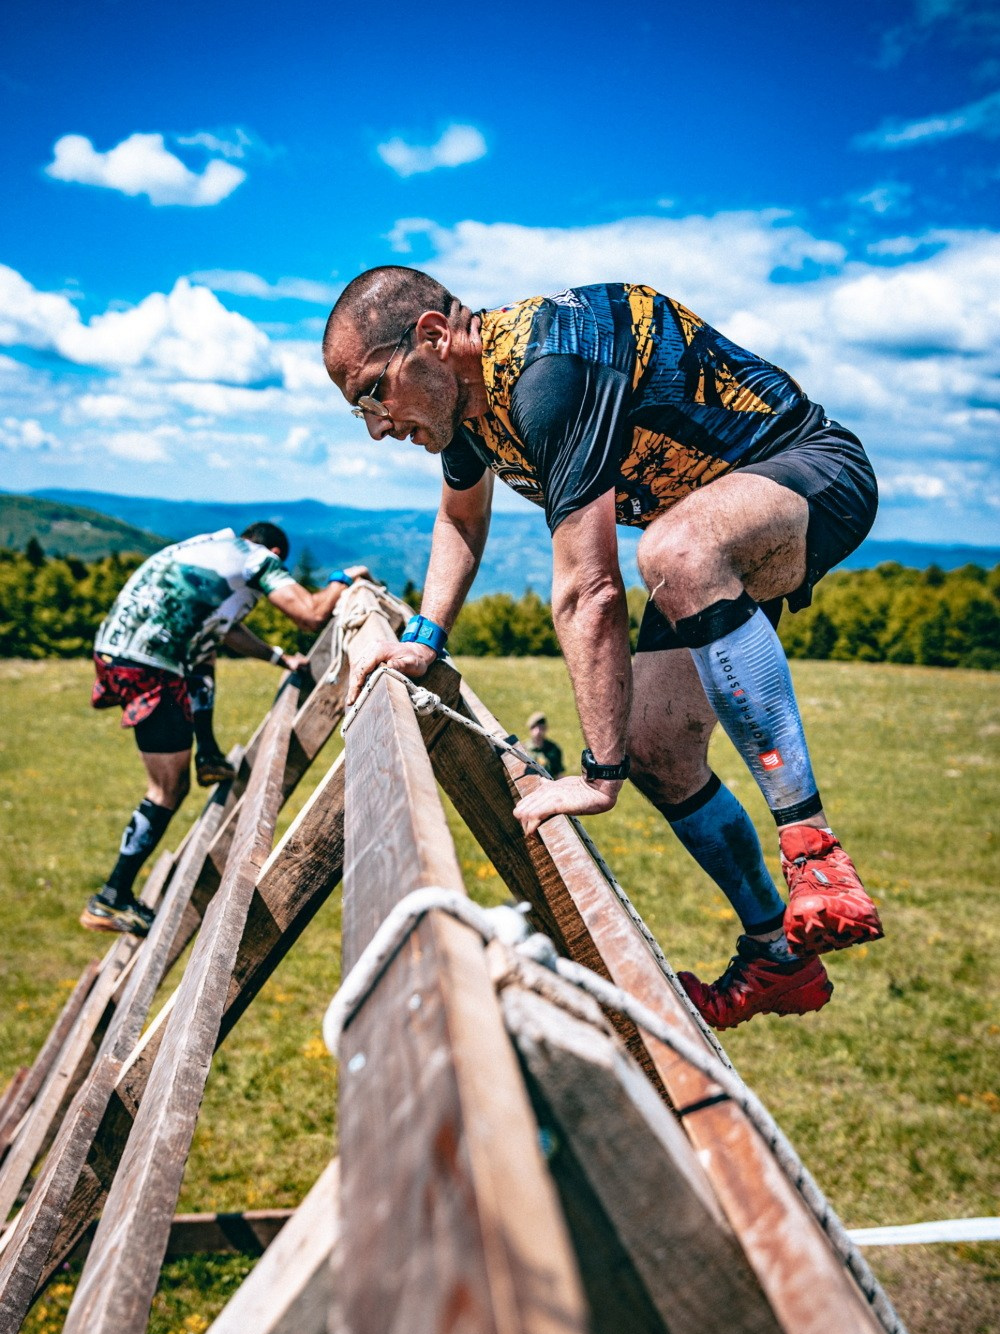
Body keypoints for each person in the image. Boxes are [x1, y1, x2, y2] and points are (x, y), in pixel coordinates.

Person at [322, 270, 884, 1031]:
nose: (377, 427)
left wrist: (597, 775)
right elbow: (460, 520)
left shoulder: (547, 371)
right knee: (657, 746)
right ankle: (776, 954)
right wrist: (424, 639)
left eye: (372, 394)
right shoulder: (468, 406)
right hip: (710, 535)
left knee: (673, 550)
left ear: (431, 337)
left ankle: (815, 855)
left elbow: (589, 589)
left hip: (814, 472)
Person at [82, 522, 369, 937]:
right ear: (274, 552)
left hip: (117, 654)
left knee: (204, 656)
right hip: (150, 667)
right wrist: (343, 579)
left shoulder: (208, 547)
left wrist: (277, 657)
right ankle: (110, 897)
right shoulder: (258, 559)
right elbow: (310, 614)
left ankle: (209, 754)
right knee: (166, 790)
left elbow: (224, 630)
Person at [525, 712, 564, 779]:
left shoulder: (553, 749)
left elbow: (558, 773)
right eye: (534, 727)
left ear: (545, 728)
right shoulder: (524, 749)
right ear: (530, 729)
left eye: (541, 727)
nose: (538, 732)